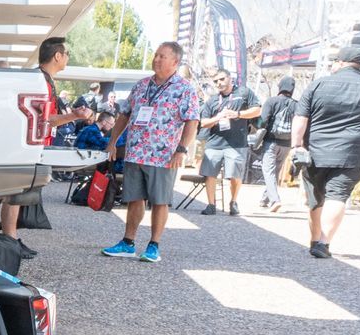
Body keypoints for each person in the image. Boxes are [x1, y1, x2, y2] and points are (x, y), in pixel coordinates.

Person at [101, 40, 198, 264]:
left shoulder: (184, 89)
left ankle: (154, 245)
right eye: (155, 55)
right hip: (136, 152)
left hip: (163, 155)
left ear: (175, 61)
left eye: (162, 56)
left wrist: (181, 149)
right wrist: (113, 141)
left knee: (160, 200)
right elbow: (124, 114)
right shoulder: (141, 85)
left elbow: (192, 121)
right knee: (134, 198)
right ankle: (128, 242)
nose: (156, 59)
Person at [291, 47, 360, 258]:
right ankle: (323, 243)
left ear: (340, 62)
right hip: (351, 154)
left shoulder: (317, 84)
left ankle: (314, 239)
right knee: (337, 196)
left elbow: (300, 118)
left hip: (315, 152)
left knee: (316, 198)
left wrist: (296, 145)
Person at [0, 36, 91, 257]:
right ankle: (8, 240)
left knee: (19, 192)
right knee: (17, 191)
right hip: (27, 144)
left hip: (30, 142)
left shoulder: (41, 79)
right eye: (66, 53)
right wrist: (74, 115)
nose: (68, 57)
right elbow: (47, 119)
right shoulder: (41, 81)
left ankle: (10, 238)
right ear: (57, 55)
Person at [194, 68, 261, 214]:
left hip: (236, 144)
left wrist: (237, 114)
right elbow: (203, 122)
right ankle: (211, 205)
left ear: (230, 78)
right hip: (214, 143)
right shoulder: (212, 100)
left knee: (234, 175)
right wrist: (218, 117)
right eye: (216, 81)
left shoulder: (244, 93)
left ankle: (234, 201)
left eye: (222, 79)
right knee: (209, 174)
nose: (219, 83)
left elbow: (257, 110)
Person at [255, 75, 299, 212]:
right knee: (275, 172)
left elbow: (262, 122)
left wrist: (256, 126)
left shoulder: (272, 101)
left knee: (268, 171)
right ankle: (265, 199)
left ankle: (275, 200)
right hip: (286, 144)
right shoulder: (297, 105)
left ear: (279, 87)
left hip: (271, 141)